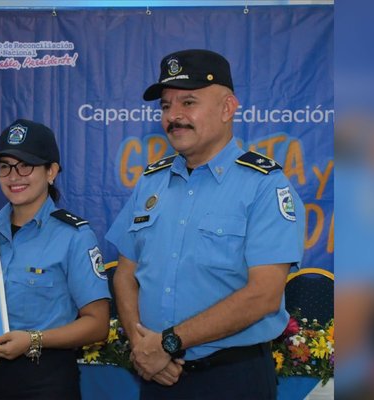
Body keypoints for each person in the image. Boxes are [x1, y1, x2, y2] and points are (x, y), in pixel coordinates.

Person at [106, 49, 305, 399]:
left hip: (232, 379)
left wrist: (169, 342)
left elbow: (264, 296)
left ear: (228, 108)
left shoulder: (264, 184)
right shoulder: (150, 182)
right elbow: (125, 274)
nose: (174, 117)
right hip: (157, 376)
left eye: (188, 103)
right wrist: (142, 346)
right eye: (166, 106)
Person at [0, 119, 110, 399]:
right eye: (5, 166)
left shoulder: (75, 236)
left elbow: (97, 324)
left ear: (51, 171)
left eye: (26, 165)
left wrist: (34, 340)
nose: (14, 176)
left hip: (45, 379)